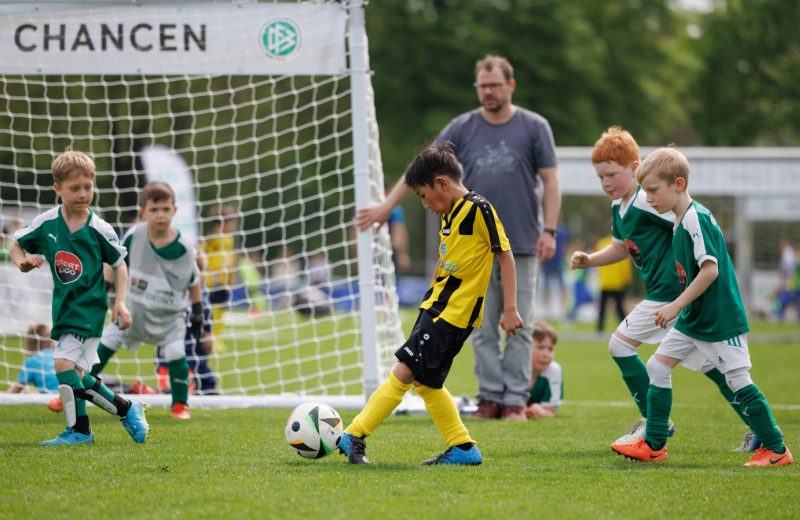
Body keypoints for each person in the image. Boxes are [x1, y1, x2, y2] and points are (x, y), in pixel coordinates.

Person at [355, 56, 560, 420]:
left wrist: (550, 229)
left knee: (517, 321)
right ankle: (490, 397)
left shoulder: (534, 126)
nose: (488, 92)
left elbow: (551, 179)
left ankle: (515, 400)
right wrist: (387, 206)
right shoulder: (463, 127)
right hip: (471, 251)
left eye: (495, 85)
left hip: (524, 239)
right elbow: (424, 167)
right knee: (480, 324)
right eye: (482, 86)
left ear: (510, 86)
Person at [572, 128, 757, 450]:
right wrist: (590, 260)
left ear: (634, 167)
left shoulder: (647, 200)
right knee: (713, 366)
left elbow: (685, 219)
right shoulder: (620, 208)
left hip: (670, 293)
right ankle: (757, 431)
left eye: (612, 175)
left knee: (619, 345)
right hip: (664, 295)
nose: (605, 183)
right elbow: (620, 248)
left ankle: (654, 420)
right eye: (600, 177)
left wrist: (694, 260)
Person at [338, 143, 523, 465]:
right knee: (426, 382)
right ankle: (464, 449)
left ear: (441, 183)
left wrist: (510, 309)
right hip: (437, 307)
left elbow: (505, 255)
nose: (424, 204)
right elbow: (446, 256)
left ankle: (354, 435)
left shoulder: (479, 209)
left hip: (452, 312)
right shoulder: (448, 214)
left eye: (423, 195)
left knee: (404, 372)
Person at [611, 147, 793, 466]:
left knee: (738, 381)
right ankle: (654, 444)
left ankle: (777, 449)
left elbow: (710, 270)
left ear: (678, 184)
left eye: (654, 190)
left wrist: (675, 305)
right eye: (645, 190)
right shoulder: (679, 220)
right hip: (694, 319)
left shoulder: (696, 218)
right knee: (657, 366)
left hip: (719, 319)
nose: (648, 197)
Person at [10, 149, 149, 445]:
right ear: (58, 188)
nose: (83, 193)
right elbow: (16, 244)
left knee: (61, 365)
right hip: (62, 309)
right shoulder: (48, 223)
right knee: (74, 374)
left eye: (88, 186)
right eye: (75, 188)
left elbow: (119, 264)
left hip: (89, 308)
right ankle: (126, 407)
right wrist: (22, 261)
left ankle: (80, 431)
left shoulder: (99, 228)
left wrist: (120, 301)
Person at [87, 182, 203, 419]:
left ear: (174, 211)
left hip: (168, 317)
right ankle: (76, 388)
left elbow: (193, 280)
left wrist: (198, 309)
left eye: (166, 209)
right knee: (104, 345)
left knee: (174, 352)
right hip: (133, 313)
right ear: (143, 212)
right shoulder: (134, 235)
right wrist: (105, 288)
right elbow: (115, 261)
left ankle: (180, 405)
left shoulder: (185, 249)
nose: (160, 215)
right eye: (154, 209)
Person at [202, 205, 238, 352]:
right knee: (212, 310)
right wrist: (211, 274)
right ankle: (210, 338)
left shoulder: (229, 239)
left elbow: (230, 259)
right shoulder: (211, 240)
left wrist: (232, 276)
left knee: (222, 309)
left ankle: (218, 338)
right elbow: (202, 257)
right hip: (211, 282)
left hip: (223, 280)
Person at [524, 321, 562, 419]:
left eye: (550, 349)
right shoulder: (513, 368)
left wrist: (541, 411)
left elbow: (551, 411)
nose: (546, 354)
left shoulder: (553, 371)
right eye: (540, 347)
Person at [595, 233, 632, 332]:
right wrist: (626, 277)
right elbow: (625, 264)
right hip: (617, 281)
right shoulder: (622, 244)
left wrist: (600, 277)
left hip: (605, 281)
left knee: (602, 307)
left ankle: (600, 329)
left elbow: (596, 261)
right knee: (620, 308)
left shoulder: (601, 243)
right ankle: (626, 328)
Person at [7, 324, 58, 394]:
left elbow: (15, 390)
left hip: (54, 399)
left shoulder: (32, 361)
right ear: (53, 345)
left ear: (28, 350)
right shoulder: (58, 356)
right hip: (69, 395)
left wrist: (8, 393)